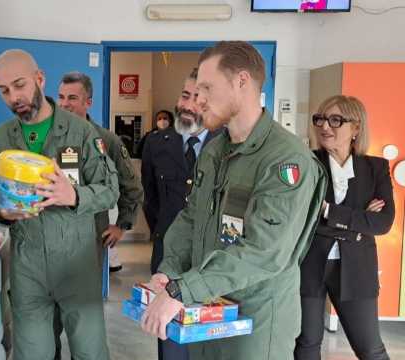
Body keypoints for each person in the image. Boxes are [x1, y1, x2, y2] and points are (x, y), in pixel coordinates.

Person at [140, 41, 327, 360]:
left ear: (242, 81)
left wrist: (182, 290)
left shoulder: (286, 160)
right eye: (196, 90)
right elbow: (190, 219)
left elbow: (263, 252)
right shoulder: (214, 151)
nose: (198, 100)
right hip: (207, 313)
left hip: (253, 327)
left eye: (206, 89)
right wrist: (170, 271)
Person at [0, 49, 119, 360]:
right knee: (32, 354)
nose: (14, 97)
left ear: (39, 79)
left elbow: (110, 189)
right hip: (28, 268)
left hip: (77, 265)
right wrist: (1, 212)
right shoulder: (1, 138)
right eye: (4, 90)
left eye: (20, 85)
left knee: (90, 352)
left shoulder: (80, 132)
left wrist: (75, 196)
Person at [295, 95, 394, 360]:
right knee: (307, 343)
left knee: (370, 348)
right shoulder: (307, 162)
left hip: (357, 268)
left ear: (356, 128)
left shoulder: (376, 168)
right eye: (320, 119)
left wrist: (328, 211)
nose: (325, 126)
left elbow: (383, 223)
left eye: (335, 120)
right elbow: (300, 215)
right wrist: (358, 221)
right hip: (309, 264)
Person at [55, 71, 143, 358]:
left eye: (73, 98)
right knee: (49, 314)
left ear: (88, 102)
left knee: (84, 316)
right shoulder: (46, 138)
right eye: (61, 97)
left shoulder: (107, 142)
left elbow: (132, 189)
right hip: (50, 239)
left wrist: (122, 225)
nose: (65, 104)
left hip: (90, 239)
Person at [140, 68, 219, 360]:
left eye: (198, 98)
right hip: (167, 262)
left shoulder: (228, 145)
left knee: (209, 345)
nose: (187, 105)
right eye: (185, 95)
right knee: (171, 343)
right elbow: (151, 200)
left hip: (213, 264)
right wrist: (166, 236)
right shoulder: (156, 143)